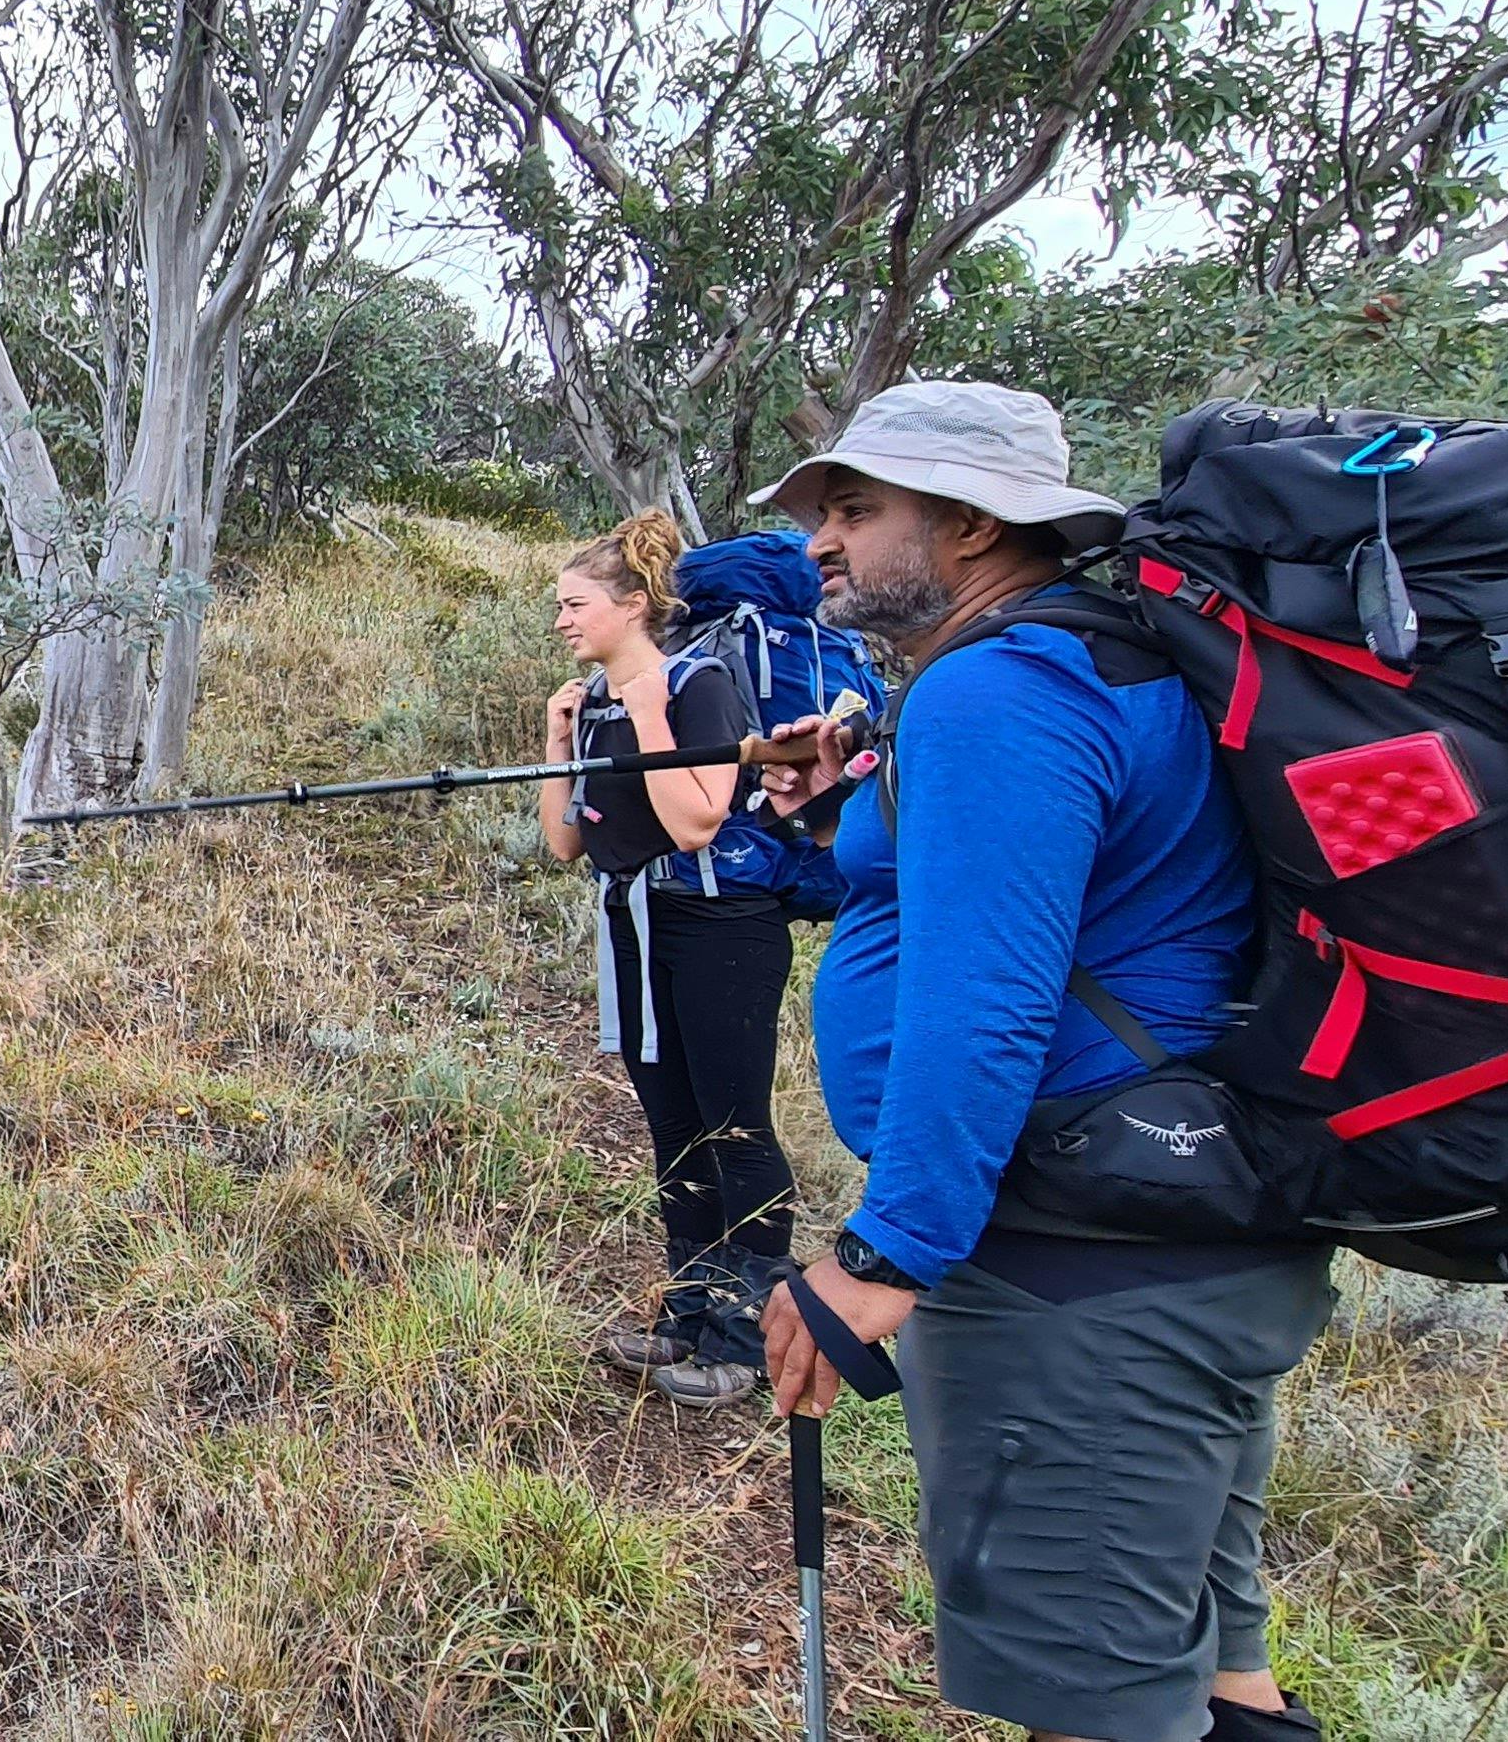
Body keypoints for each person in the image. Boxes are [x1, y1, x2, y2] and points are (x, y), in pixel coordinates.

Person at [748, 380, 1332, 1742]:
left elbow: (988, 1003)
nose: (820, 538)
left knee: (1100, 1709)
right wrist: (843, 811)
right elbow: (1049, 900)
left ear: (969, 524)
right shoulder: (1092, 659)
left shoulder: (1001, 692)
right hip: (1176, 1243)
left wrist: (883, 1254)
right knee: (1215, 1669)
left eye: (856, 508)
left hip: (1079, 1280)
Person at [538, 510, 796, 1410]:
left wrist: (649, 717)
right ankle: (688, 1315)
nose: (563, 620)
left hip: (720, 928)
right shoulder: (595, 700)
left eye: (576, 604)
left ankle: (745, 1339)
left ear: (633, 605)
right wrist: (559, 744)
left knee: (735, 1127)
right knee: (674, 1126)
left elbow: (696, 821)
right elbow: (566, 843)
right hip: (635, 923)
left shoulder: (698, 685)